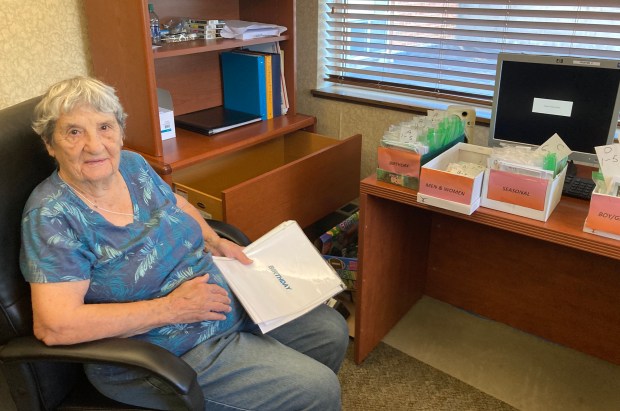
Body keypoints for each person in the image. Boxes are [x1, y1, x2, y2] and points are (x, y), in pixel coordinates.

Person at [20, 76, 349, 410]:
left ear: (119, 132)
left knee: (329, 331)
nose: (94, 145)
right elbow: (55, 326)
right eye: (73, 132)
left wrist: (215, 240)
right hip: (161, 350)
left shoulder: (132, 166)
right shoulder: (52, 217)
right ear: (50, 144)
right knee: (316, 389)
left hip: (222, 298)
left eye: (105, 127)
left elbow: (177, 205)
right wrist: (172, 309)